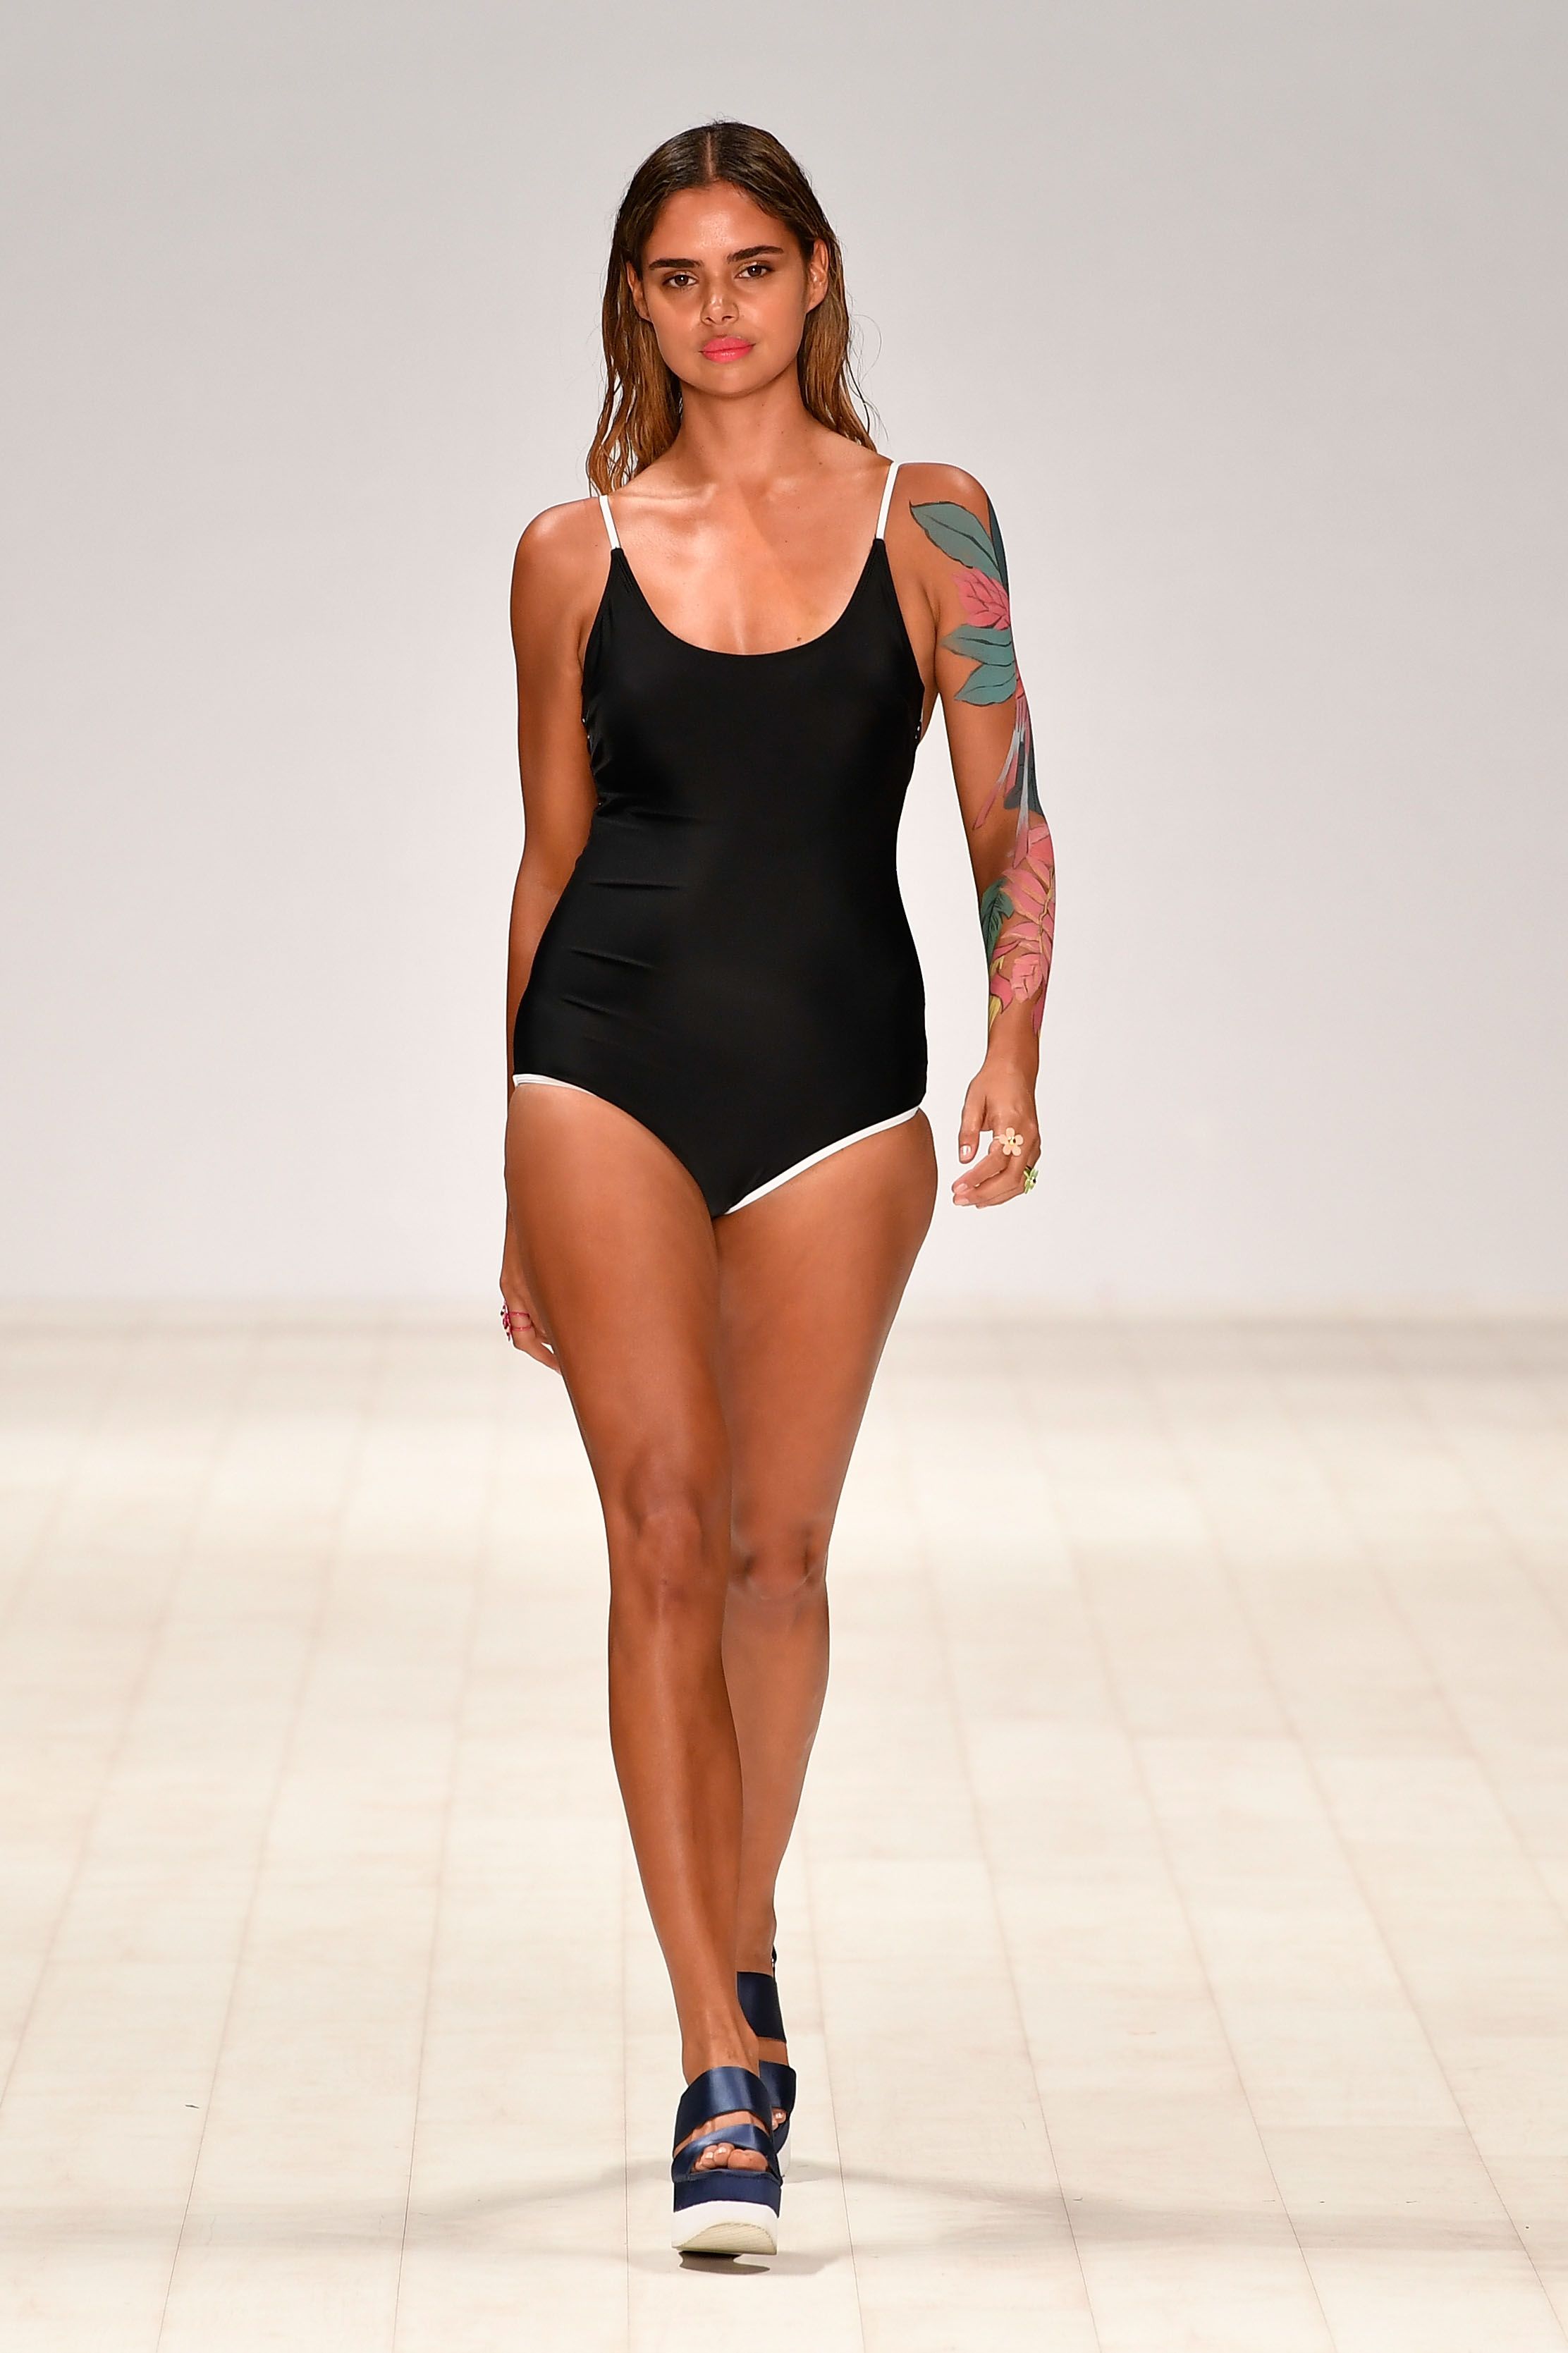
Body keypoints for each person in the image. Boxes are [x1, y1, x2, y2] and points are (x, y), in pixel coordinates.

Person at [499, 119, 1055, 2258]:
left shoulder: (936, 523)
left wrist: (1016, 1044)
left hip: (839, 1083)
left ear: (816, 277)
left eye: (751, 266)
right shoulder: (570, 553)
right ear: (634, 304)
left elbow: (1009, 813)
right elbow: (550, 857)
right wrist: (509, 1170)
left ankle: (740, 1938)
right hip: (600, 1067)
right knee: (655, 1532)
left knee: (774, 1553)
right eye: (676, 276)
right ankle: (716, 2064)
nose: (716, 310)